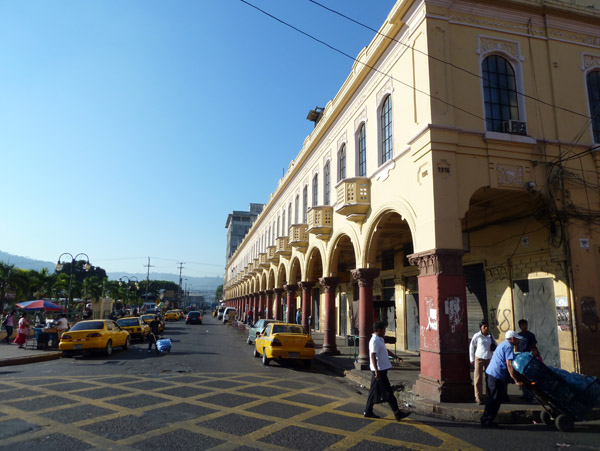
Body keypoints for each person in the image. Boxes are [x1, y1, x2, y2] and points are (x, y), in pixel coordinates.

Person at [364, 321, 411, 421]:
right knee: (388, 392)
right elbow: (373, 355)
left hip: (381, 369)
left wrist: (396, 357)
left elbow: (385, 350)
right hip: (379, 370)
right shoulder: (374, 341)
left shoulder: (380, 339)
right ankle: (397, 413)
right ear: (379, 330)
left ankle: (368, 411)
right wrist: (376, 371)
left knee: (373, 392)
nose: (385, 331)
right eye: (384, 329)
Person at [480, 330, 524, 428]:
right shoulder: (509, 347)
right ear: (512, 338)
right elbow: (509, 365)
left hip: (492, 374)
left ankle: (486, 419)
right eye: (517, 339)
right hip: (496, 375)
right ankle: (487, 421)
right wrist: (516, 380)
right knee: (495, 399)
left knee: (492, 399)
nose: (518, 341)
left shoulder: (503, 344)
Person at [469, 321, 497, 404]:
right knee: (478, 377)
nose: (486, 328)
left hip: (489, 358)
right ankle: (478, 396)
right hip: (479, 358)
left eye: (487, 326)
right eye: (484, 326)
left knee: (489, 377)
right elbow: (471, 346)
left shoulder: (490, 336)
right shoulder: (477, 336)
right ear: (481, 327)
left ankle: (489, 395)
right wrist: (472, 359)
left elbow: (496, 345)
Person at [517, 319, 537, 402]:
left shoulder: (531, 335)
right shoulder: (518, 336)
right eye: (523, 325)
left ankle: (531, 395)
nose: (525, 327)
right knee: (522, 377)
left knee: (530, 378)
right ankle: (525, 394)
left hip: (528, 359)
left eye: (526, 325)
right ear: (520, 326)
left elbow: (533, 346)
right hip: (521, 359)